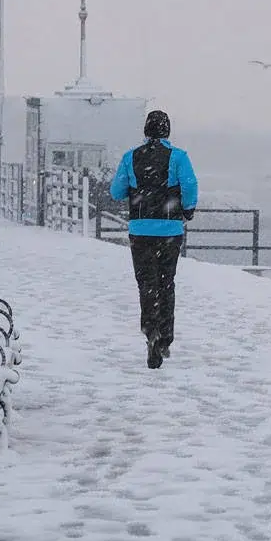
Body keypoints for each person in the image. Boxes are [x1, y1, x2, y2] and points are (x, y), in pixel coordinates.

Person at [110, 110, 199, 369]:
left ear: (146, 131)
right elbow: (190, 186)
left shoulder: (131, 157)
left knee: (146, 283)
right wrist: (188, 209)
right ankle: (165, 339)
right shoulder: (179, 157)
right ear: (167, 131)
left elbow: (116, 192)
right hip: (170, 230)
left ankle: (150, 332)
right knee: (166, 282)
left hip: (140, 230)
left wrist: (136, 190)